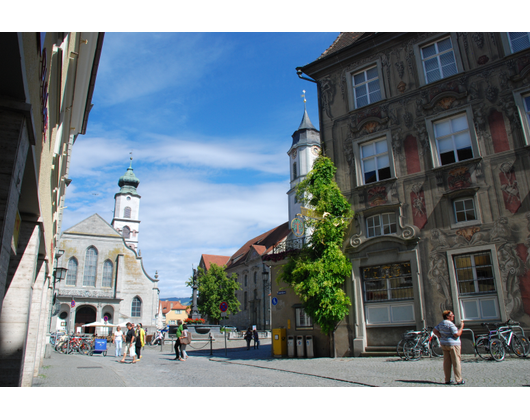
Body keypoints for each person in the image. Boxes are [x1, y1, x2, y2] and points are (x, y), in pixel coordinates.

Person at [433, 310, 465, 385]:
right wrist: (462, 327)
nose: (453, 316)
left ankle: (447, 379)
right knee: (456, 362)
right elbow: (456, 334)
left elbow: (434, 331)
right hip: (453, 345)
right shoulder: (450, 324)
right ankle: (459, 379)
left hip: (444, 344)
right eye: (452, 315)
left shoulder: (441, 323)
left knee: (447, 362)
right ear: (448, 316)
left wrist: (441, 336)